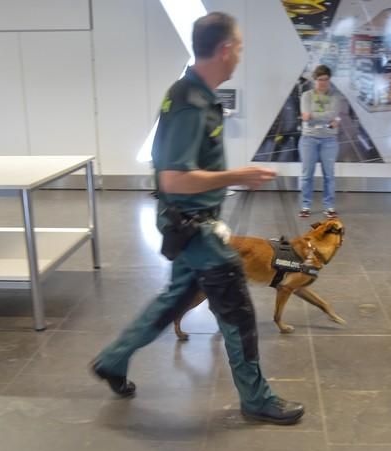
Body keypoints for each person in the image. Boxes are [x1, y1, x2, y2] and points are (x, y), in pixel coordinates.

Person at [90, 12, 305, 426]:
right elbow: (174, 179)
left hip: (188, 225)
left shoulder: (197, 95)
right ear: (225, 49)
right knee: (238, 311)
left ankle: (113, 360)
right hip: (194, 228)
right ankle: (256, 398)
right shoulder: (190, 102)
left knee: (173, 300)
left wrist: (229, 179)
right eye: (239, 48)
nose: (240, 56)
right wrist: (237, 176)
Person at [298, 64, 341, 219]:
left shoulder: (335, 96)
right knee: (306, 175)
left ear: (329, 80)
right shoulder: (307, 96)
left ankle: (329, 206)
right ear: (314, 80)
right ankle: (305, 205)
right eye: (320, 79)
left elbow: (333, 113)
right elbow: (306, 117)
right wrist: (329, 120)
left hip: (329, 140)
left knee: (329, 175)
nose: (323, 82)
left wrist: (313, 117)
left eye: (326, 79)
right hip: (309, 139)